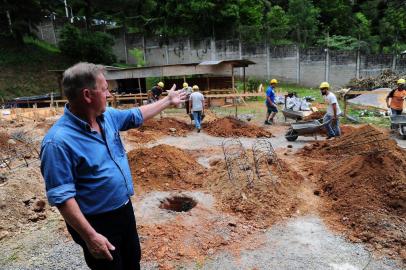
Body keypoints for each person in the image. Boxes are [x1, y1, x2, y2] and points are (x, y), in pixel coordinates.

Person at [40, 62, 186, 270]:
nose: (109, 94)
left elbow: (136, 115)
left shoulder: (107, 117)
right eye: (105, 89)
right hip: (97, 222)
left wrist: (167, 101)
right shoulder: (58, 142)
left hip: (124, 211)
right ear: (88, 95)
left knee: (132, 260)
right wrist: (90, 237)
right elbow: (62, 197)